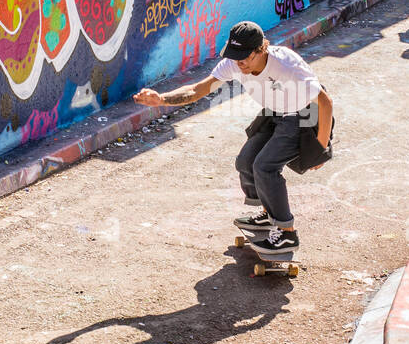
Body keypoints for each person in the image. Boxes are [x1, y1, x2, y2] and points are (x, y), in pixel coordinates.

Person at [133, 21, 333, 255]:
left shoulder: (286, 66)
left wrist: (320, 148)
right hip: (275, 112)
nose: (240, 64)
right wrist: (162, 99)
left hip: (304, 116)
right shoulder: (234, 63)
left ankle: (287, 233)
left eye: (245, 58)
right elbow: (199, 89)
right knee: (245, 162)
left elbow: (325, 102)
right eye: (235, 58)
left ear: (261, 49)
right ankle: (269, 214)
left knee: (265, 167)